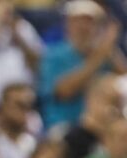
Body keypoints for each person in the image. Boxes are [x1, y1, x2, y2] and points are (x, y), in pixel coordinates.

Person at [39, 0, 127, 129]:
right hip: (64, 127)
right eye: (78, 21)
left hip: (101, 129)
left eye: (90, 21)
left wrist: (110, 48)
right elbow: (64, 91)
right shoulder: (54, 54)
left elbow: (124, 80)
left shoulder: (104, 53)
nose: (83, 27)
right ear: (68, 23)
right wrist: (99, 56)